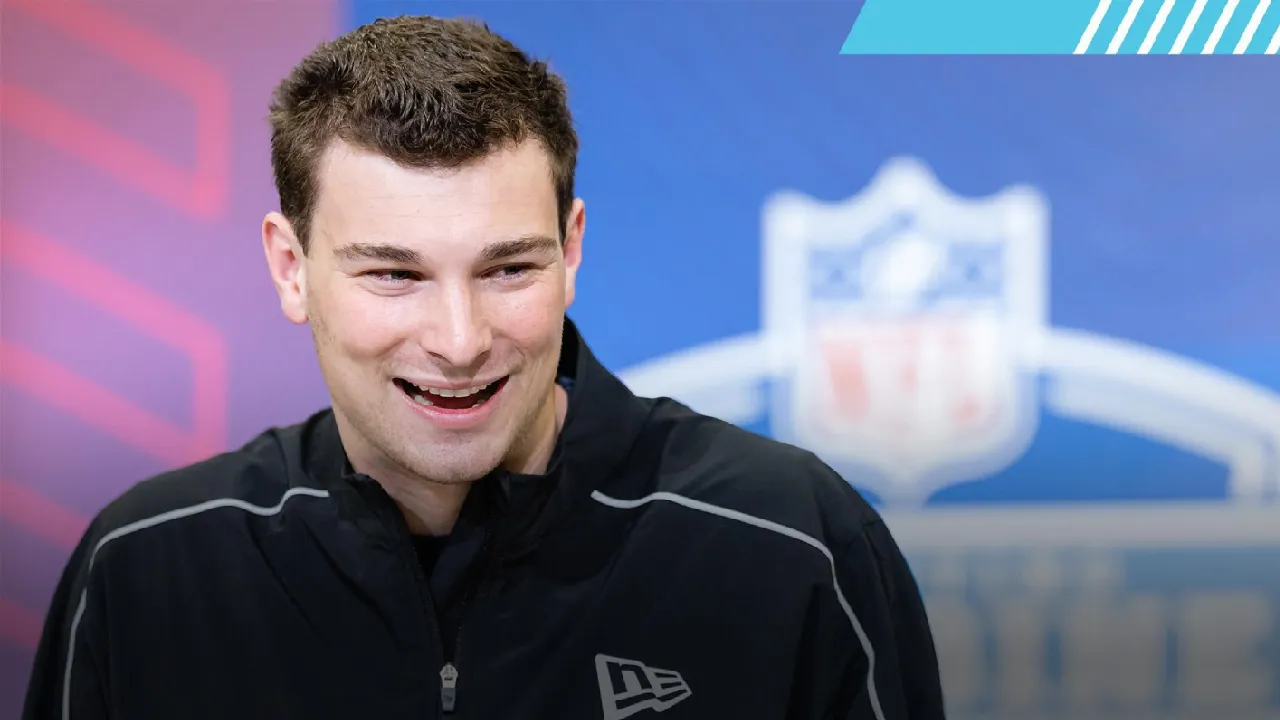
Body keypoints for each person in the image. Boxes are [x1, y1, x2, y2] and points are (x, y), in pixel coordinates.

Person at [23, 15, 945, 720]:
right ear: (290, 267)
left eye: (509, 269)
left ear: (572, 249)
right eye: (394, 274)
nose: (460, 340)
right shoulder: (147, 569)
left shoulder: (795, 544)